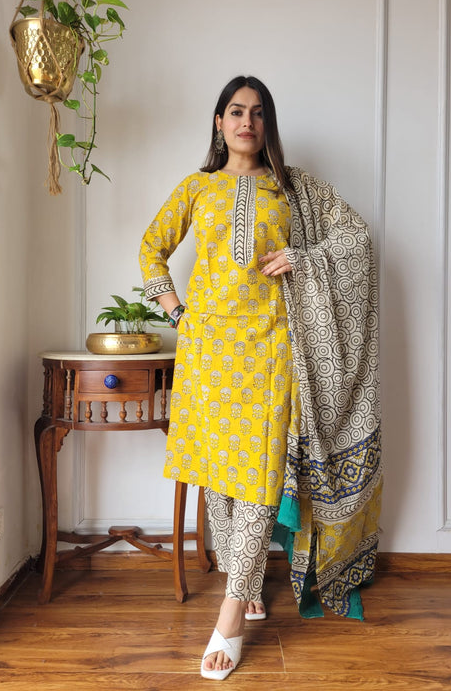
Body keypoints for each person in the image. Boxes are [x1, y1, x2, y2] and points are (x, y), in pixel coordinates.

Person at [139, 76, 382, 680]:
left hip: (272, 350)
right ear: (219, 122)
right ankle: (242, 580)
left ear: (267, 124)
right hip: (208, 353)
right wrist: (177, 314)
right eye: (235, 111)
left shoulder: (293, 188)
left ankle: (229, 618)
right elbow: (150, 248)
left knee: (258, 476)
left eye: (257, 113)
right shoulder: (197, 188)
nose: (246, 122)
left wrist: (305, 257)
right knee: (218, 476)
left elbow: (356, 239)